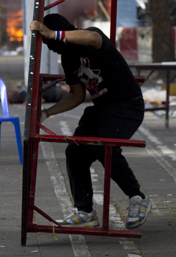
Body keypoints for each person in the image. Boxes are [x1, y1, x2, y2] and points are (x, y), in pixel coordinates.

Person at [30, 14, 151, 229]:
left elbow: (92, 37)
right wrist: (46, 113)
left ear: (59, 34)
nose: (49, 47)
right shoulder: (67, 58)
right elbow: (77, 95)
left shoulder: (89, 39)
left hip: (126, 106)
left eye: (48, 42)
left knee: (105, 148)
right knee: (75, 152)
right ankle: (85, 211)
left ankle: (137, 198)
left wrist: (51, 34)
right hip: (102, 109)